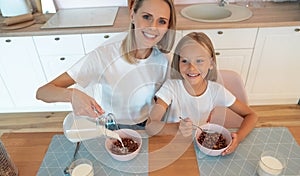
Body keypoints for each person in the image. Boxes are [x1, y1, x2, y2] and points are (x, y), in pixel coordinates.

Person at [36, 0, 176, 129]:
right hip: (110, 125)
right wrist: (72, 95)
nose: (153, 27)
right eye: (146, 17)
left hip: (145, 125)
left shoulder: (164, 60)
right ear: (132, 14)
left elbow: (164, 97)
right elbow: (43, 92)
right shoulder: (103, 56)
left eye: (162, 21)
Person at [145, 32, 258, 155]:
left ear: (211, 63)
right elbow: (150, 126)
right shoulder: (170, 87)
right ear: (178, 62)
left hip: (200, 147)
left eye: (199, 61)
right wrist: (177, 127)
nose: (192, 68)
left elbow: (251, 115)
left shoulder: (217, 91)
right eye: (184, 61)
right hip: (172, 143)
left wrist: (238, 138)